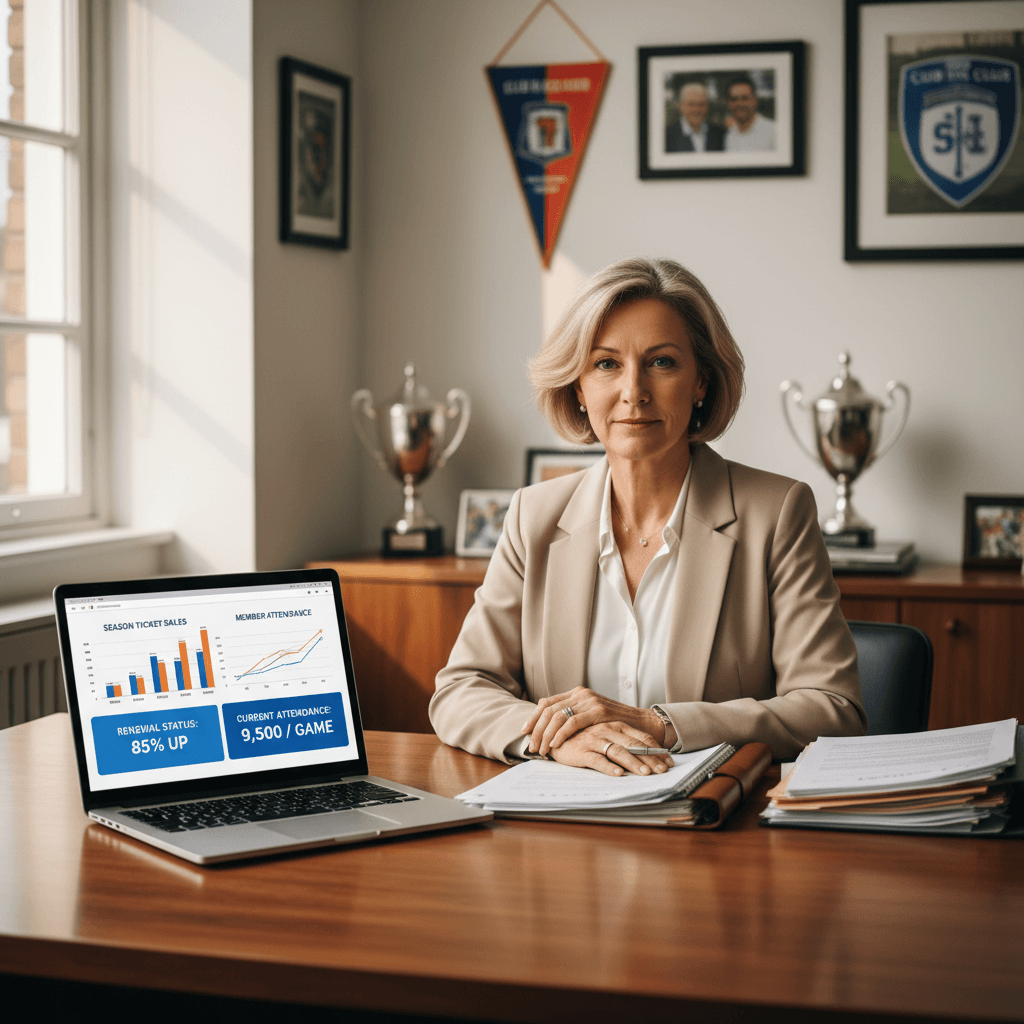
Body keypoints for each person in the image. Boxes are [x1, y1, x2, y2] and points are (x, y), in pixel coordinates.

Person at [430, 258, 865, 778]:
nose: (633, 391)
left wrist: (659, 725)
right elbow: (460, 691)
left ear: (700, 382)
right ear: (578, 388)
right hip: (560, 826)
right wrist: (555, 741)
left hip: (712, 831)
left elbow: (833, 709)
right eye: (606, 364)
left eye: (661, 363)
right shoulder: (533, 516)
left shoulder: (776, 513)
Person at [665, 83, 726, 153]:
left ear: (707, 107)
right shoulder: (667, 137)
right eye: (691, 104)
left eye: (701, 104)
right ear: (680, 106)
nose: (696, 109)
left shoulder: (720, 134)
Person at [724, 74, 775, 152]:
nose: (739, 104)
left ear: (755, 101)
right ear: (728, 104)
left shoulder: (774, 132)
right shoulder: (729, 136)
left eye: (745, 98)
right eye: (734, 99)